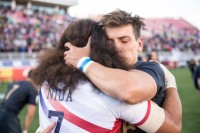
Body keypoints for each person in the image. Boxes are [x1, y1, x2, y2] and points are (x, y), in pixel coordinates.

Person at [32, 19, 179, 133]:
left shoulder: (46, 83)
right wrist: (171, 84)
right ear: (100, 48)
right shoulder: (112, 92)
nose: (115, 48)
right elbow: (172, 128)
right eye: (108, 43)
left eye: (124, 40)